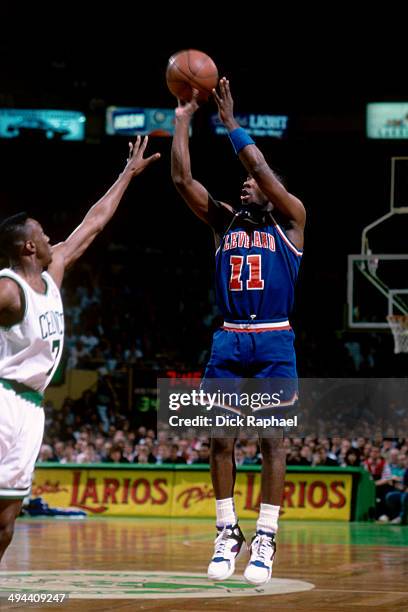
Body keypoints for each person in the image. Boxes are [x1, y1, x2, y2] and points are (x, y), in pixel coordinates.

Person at [171, 78, 305, 586]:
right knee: (219, 439)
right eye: (243, 182)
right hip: (228, 337)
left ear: (272, 192)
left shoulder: (291, 221)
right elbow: (183, 181)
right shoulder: (224, 223)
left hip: (274, 338)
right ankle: (228, 530)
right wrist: (182, 120)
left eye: (252, 183)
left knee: (273, 439)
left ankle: (266, 536)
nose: (244, 184)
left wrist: (230, 123)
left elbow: (261, 169)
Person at [0, 136, 160, 560]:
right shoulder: (8, 289)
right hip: (3, 399)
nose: (51, 235)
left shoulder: (52, 273)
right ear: (28, 246)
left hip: (32, 407)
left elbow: (94, 222)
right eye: (42, 232)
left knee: (7, 518)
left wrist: (127, 173)